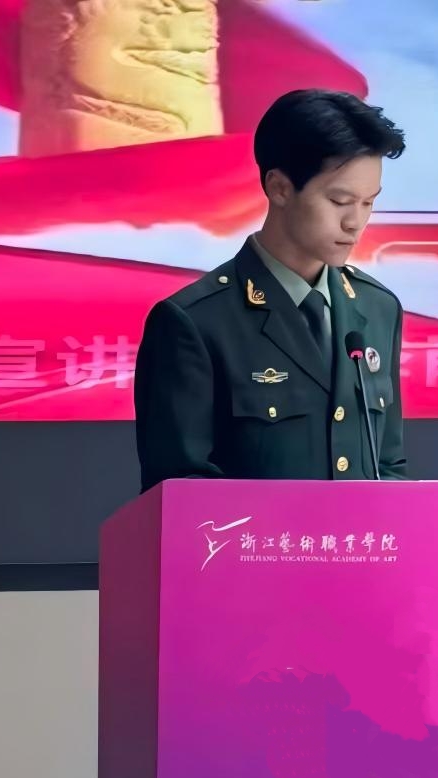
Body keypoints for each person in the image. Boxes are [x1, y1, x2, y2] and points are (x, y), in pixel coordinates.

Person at [134, 89, 408, 491]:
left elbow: (389, 467)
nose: (355, 222)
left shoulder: (377, 307)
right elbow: (180, 495)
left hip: (362, 535)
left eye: (368, 203)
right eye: (339, 201)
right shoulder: (195, 322)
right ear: (279, 187)